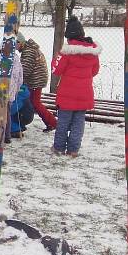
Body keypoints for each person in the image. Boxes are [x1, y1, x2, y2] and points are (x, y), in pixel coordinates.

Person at [51, 16, 101, 157]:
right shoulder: (92, 52)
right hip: (84, 94)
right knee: (78, 124)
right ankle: (73, 150)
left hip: (67, 95)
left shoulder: (67, 52)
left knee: (63, 123)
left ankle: (58, 148)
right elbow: (95, 71)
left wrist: (56, 58)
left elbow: (56, 70)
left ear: (69, 37)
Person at [16, 32, 56, 131]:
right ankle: (51, 123)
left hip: (35, 81)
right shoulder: (29, 49)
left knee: (35, 103)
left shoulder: (28, 52)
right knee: (32, 102)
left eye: (15, 45)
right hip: (37, 79)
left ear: (20, 42)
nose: (15, 48)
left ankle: (53, 123)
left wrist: (16, 79)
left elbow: (25, 71)